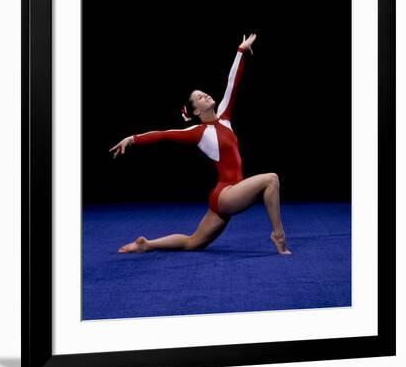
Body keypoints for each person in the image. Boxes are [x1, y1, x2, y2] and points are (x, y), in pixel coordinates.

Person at [109, 33, 291, 255]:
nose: (206, 95)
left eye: (204, 93)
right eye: (200, 98)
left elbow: (233, 82)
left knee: (193, 242)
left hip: (226, 195)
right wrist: (132, 139)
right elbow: (164, 134)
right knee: (271, 179)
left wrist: (241, 51)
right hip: (227, 194)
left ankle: (146, 244)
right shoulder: (198, 132)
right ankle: (278, 234)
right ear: (196, 111)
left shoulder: (224, 116)